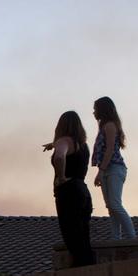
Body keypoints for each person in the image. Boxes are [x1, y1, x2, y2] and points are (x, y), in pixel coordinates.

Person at [50, 111, 96, 267]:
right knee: (83, 237)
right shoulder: (83, 146)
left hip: (68, 193)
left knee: (72, 237)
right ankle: (91, 271)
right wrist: (53, 144)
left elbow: (59, 157)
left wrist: (61, 178)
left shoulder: (64, 141)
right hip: (82, 191)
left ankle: (81, 275)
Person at [92, 96, 136, 239]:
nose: (94, 112)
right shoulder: (105, 126)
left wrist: (101, 171)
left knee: (115, 205)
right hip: (107, 169)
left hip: (114, 168)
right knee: (111, 208)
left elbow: (110, 149)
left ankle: (131, 238)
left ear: (102, 110)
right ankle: (116, 238)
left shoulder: (110, 125)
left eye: (95, 109)